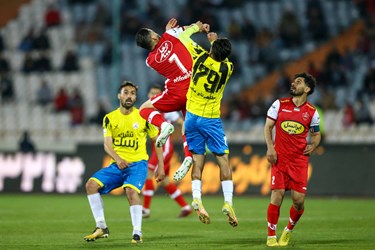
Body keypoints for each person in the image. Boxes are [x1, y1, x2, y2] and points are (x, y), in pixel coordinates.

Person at [83, 81, 165, 244]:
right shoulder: (110, 118)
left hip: (138, 165)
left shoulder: (144, 116)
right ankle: (101, 227)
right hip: (118, 165)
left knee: (130, 191)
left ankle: (137, 232)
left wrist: (161, 166)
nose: (129, 96)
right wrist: (118, 159)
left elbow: (157, 140)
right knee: (91, 185)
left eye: (133, 93)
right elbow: (107, 144)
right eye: (126, 92)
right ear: (119, 96)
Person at [176, 23, 238, 227]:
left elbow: (184, 37)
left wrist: (198, 28)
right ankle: (228, 203)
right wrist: (215, 43)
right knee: (223, 160)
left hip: (191, 117)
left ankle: (196, 198)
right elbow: (222, 57)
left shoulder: (200, 57)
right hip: (211, 119)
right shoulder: (228, 68)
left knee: (197, 160)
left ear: (211, 50)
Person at [135, 18, 209, 175]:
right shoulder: (171, 35)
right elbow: (192, 27)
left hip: (175, 92)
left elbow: (162, 47)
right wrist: (200, 26)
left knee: (143, 109)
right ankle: (188, 156)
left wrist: (166, 33)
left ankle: (163, 125)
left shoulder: (150, 61)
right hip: (194, 89)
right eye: (154, 33)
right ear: (154, 37)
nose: (156, 33)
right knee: (186, 123)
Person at [264, 72, 321, 247]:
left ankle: (288, 230)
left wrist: (314, 145)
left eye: (299, 82)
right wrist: (270, 148)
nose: (293, 84)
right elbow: (268, 127)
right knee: (277, 195)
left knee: (298, 201)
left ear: (307, 89)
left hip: (299, 161)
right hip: (280, 158)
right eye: (294, 81)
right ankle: (271, 236)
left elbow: (316, 134)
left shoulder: (312, 112)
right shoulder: (279, 104)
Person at [142, 85, 193, 219]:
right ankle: (185, 207)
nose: (153, 95)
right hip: (156, 148)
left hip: (164, 147)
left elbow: (181, 121)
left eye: (156, 93)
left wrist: (186, 130)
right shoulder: (147, 110)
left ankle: (145, 209)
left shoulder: (168, 109)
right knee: (164, 180)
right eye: (151, 93)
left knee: (149, 171)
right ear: (148, 94)